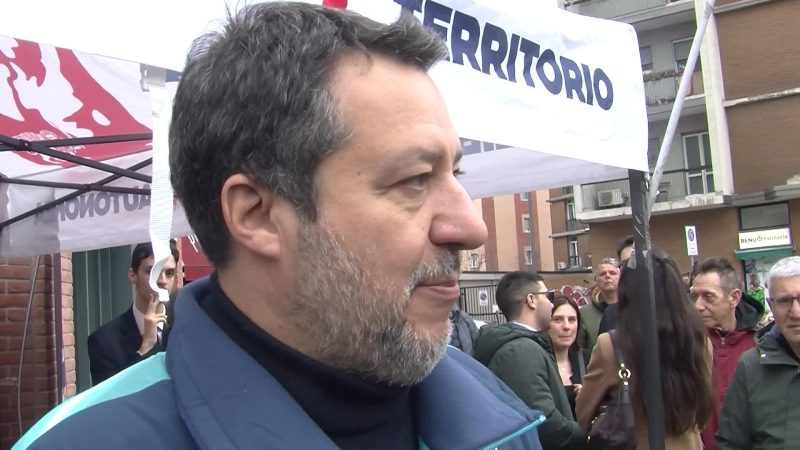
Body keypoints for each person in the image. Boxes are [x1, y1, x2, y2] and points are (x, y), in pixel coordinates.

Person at [14, 4, 544, 450]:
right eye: (413, 180)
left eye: (455, 174)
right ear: (257, 215)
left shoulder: (495, 411)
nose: (471, 226)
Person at [576, 250, 714, 449]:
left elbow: (584, 412)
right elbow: (702, 408)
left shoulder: (612, 345)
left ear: (628, 291)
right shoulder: (699, 341)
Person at [475, 272, 586, 450]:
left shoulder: (524, 345)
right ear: (531, 300)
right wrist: (586, 434)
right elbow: (544, 422)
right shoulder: (520, 351)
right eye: (548, 296)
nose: (551, 304)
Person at [716, 256, 800, 449]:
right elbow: (731, 443)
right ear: (771, 306)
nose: (796, 312)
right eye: (784, 301)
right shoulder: (751, 366)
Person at [689, 257, 763, 450]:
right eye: (694, 296)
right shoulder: (684, 345)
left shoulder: (761, 344)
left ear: (734, 298)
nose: (698, 305)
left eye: (708, 296)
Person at [86, 241, 179, 385]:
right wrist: (146, 346)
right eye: (152, 272)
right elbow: (112, 395)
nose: (162, 281)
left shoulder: (185, 330)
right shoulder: (104, 341)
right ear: (133, 275)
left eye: (169, 273)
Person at [548, 294, 591, 418]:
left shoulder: (589, 360)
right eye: (558, 319)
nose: (566, 326)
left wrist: (590, 397)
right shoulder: (537, 361)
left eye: (572, 319)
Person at [580, 258, 620, 351]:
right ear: (596, 280)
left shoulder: (633, 309)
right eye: (602, 274)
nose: (608, 276)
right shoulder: (584, 314)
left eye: (612, 273)